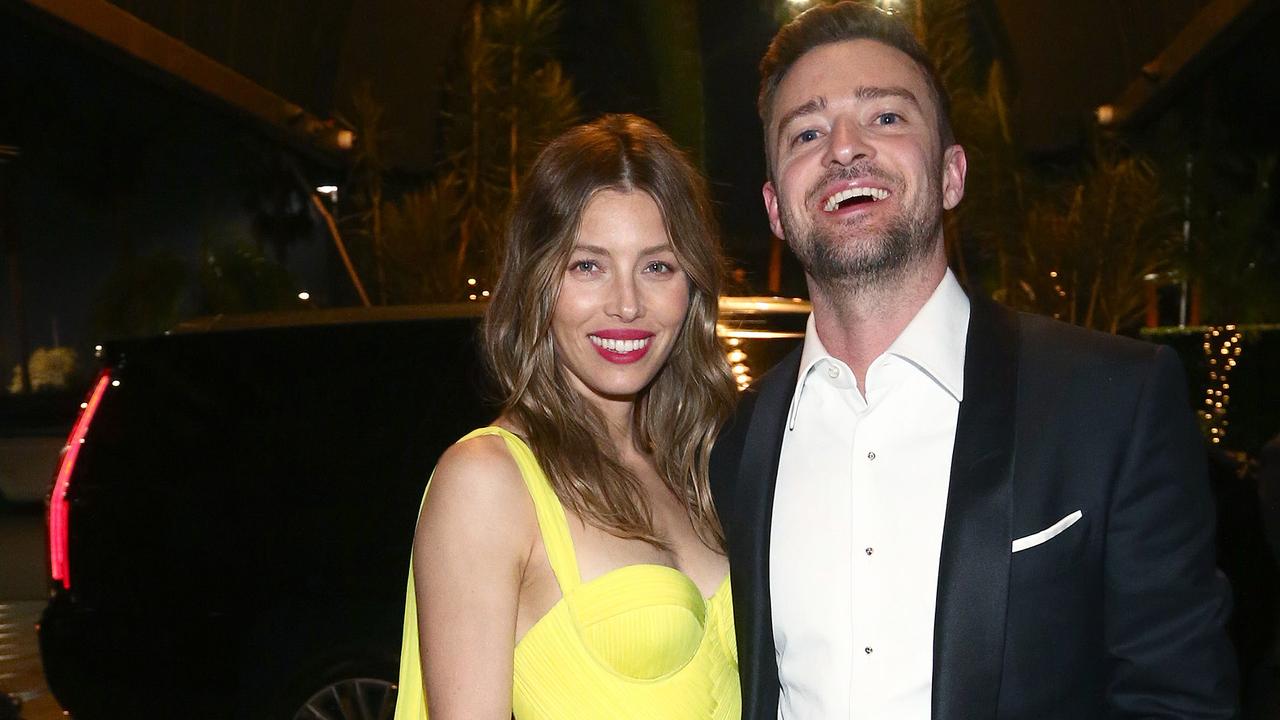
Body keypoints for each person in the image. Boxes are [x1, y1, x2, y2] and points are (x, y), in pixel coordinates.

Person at [709, 3, 1238, 719]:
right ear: (776, 207)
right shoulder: (736, 441)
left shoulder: (1111, 401)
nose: (843, 148)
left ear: (953, 174)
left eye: (886, 117)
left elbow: (1178, 700)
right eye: (806, 130)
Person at [394, 114, 741, 720]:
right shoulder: (487, 482)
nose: (627, 303)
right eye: (588, 265)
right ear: (537, 280)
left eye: (657, 266)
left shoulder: (700, 466)